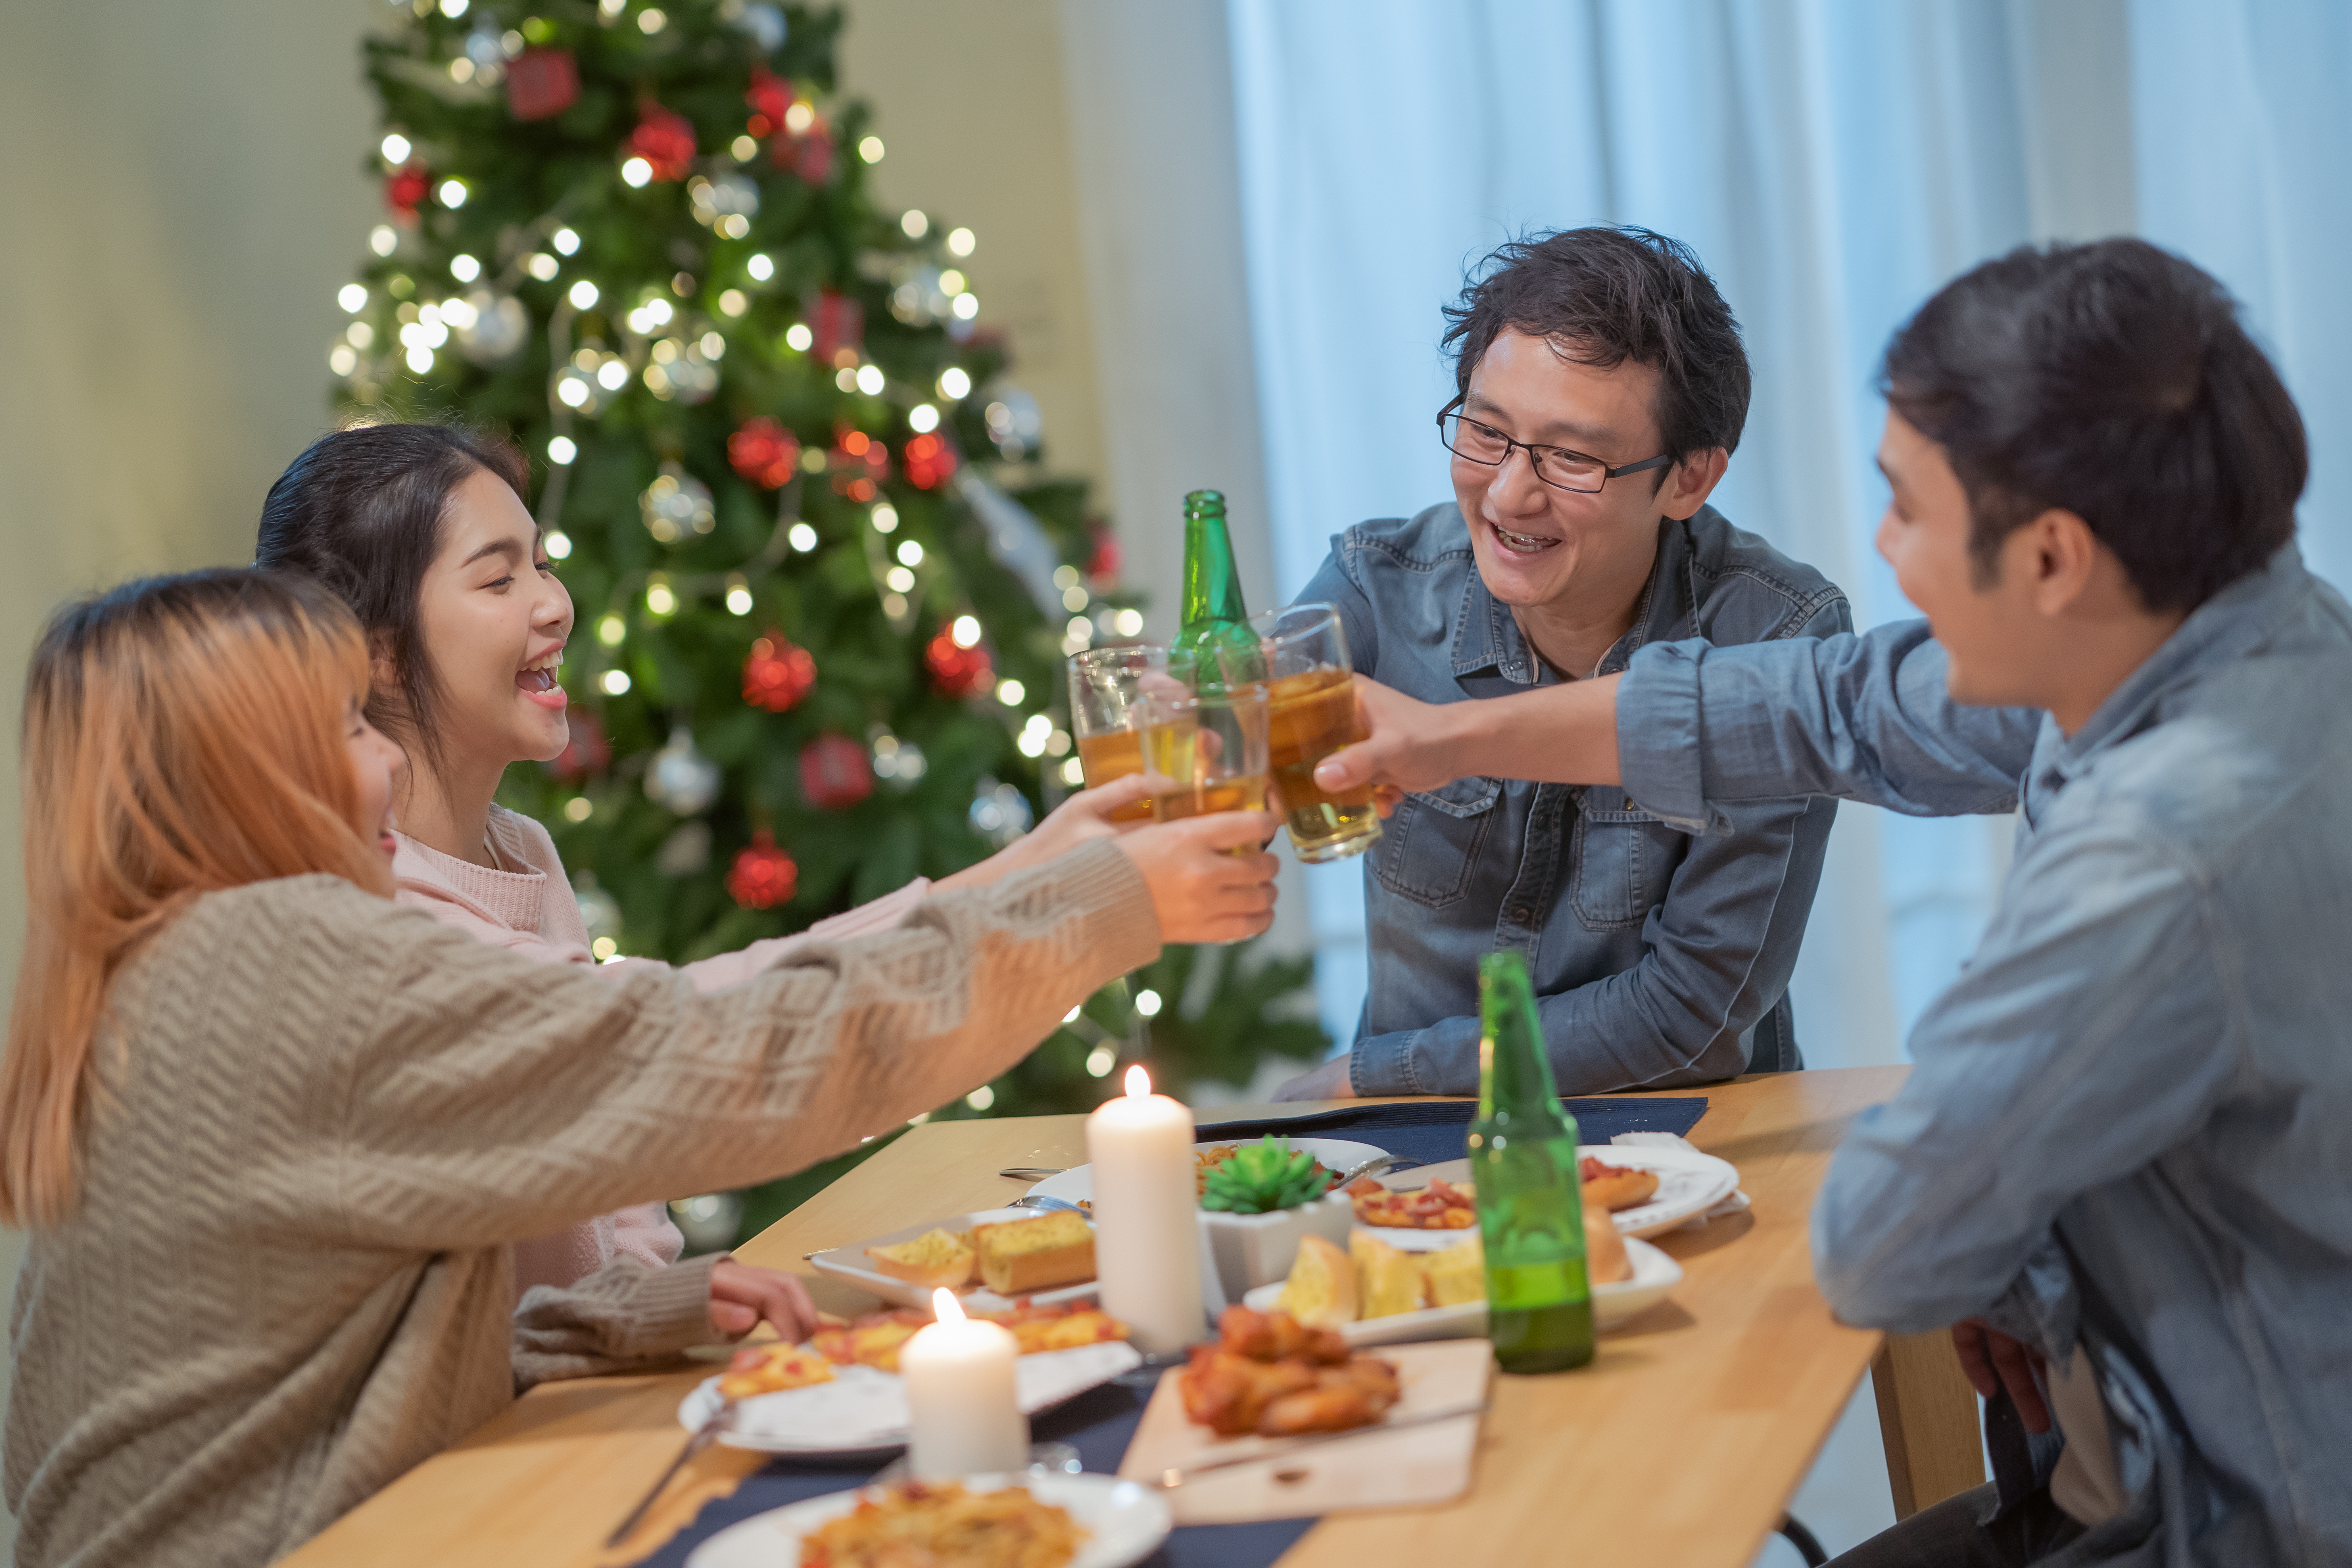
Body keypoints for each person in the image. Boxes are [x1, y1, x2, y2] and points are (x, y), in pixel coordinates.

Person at [1312, 239, 2350, 1565]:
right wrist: (1448, 741)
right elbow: (1824, 704)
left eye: (1908, 506)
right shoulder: (2251, 629)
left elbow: (1887, 1241)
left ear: (2049, 558)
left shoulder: (2156, 861)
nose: (1881, 547)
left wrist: (1993, 1231)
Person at [0, 569, 1277, 1568]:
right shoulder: (285, 963)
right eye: (345, 726)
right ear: (247, 772)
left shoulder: (149, 971)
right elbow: (726, 1063)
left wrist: (595, 1324)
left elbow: (276, 1373)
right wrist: (1100, 907)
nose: (386, 758)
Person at [254, 423, 1155, 1315]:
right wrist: (1075, 902)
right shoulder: (376, 911)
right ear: (372, 649)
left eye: (542, 562)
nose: (554, 603)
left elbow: (619, 1190)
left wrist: (1046, 857)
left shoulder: (519, 847)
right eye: (498, 578)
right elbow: (678, 1056)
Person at [1273, 226, 1849, 1102]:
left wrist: (1378, 1073)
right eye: (1486, 433)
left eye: (1572, 458)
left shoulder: (1776, 634)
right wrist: (1210, 733)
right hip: (1420, 1162)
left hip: (1684, 1136)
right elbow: (1236, 723)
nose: (1509, 495)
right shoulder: (1378, 585)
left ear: (1690, 479)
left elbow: (1692, 1017)